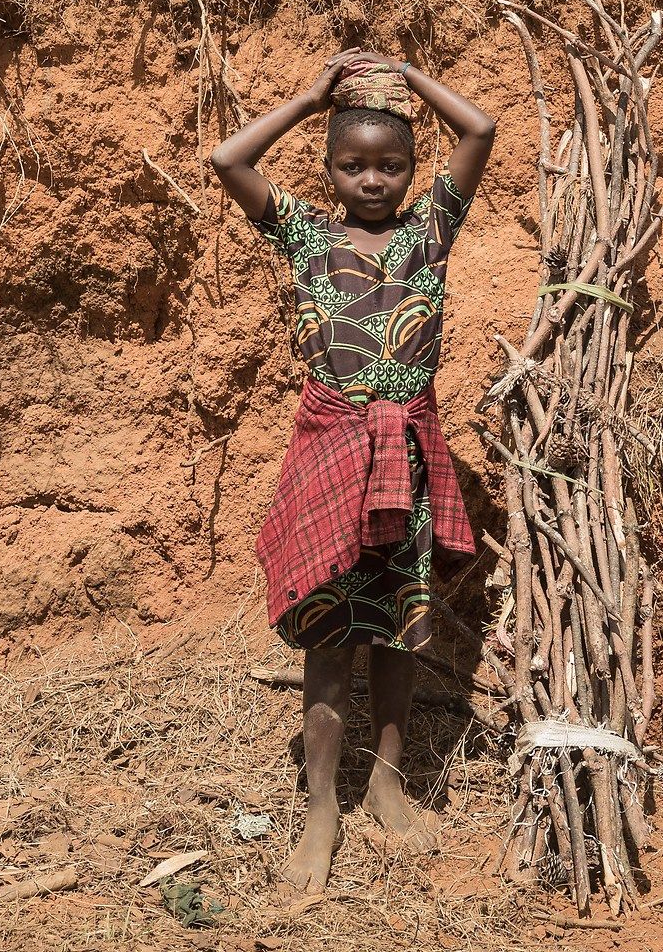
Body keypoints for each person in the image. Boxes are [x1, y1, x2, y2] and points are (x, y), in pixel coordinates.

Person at [210, 50, 495, 899]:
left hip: (404, 455)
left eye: (392, 164)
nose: (373, 179)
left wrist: (407, 73)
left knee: (404, 626)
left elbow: (478, 129)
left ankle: (389, 779)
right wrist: (310, 97)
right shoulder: (305, 234)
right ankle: (321, 808)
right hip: (332, 448)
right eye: (353, 164)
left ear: (412, 168)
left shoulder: (429, 232)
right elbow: (229, 160)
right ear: (328, 168)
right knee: (329, 637)